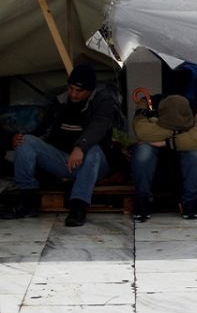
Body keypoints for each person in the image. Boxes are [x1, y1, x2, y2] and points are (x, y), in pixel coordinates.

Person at [3, 65, 116, 227]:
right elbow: (43, 131)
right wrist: (17, 139)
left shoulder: (103, 101)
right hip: (66, 161)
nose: (74, 94)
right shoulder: (61, 101)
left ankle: (78, 206)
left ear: (90, 90)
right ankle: (27, 201)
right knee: (26, 141)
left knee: (93, 150)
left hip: (94, 163)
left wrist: (80, 147)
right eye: (71, 88)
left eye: (79, 91)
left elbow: (98, 126)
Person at [131, 94, 197, 221]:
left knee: (196, 153)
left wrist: (167, 141)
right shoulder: (147, 103)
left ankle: (190, 203)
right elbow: (141, 131)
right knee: (143, 150)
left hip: (179, 153)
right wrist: (183, 132)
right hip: (156, 157)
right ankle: (142, 201)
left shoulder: (196, 107)